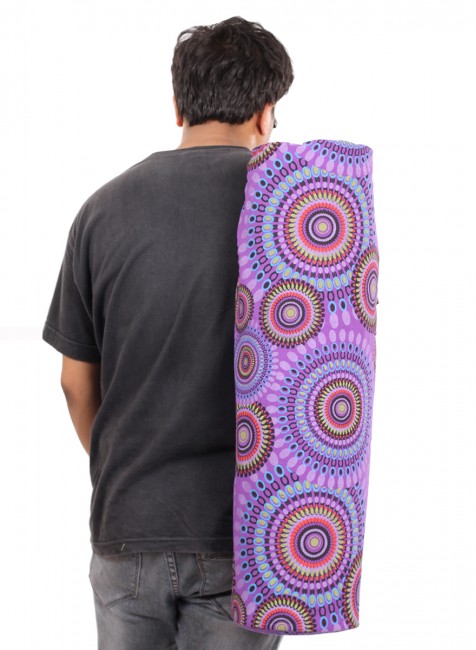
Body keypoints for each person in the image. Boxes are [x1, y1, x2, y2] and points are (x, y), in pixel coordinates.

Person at [41, 15, 294, 650]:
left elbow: (75, 384)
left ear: (178, 106)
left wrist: (127, 468)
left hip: (126, 523)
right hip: (245, 535)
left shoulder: (101, 210)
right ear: (265, 113)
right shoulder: (293, 217)